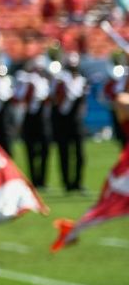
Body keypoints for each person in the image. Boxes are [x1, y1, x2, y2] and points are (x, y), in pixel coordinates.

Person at [52, 53, 88, 193]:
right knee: (64, 153)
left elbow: (82, 101)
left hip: (76, 122)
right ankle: (67, 183)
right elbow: (55, 98)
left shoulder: (81, 80)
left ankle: (78, 183)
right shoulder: (60, 80)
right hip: (62, 122)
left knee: (79, 154)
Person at [15, 58, 51, 189]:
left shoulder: (46, 81)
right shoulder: (25, 80)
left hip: (42, 120)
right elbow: (19, 97)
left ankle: (42, 180)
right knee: (30, 151)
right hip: (29, 120)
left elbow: (48, 97)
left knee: (44, 151)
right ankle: (33, 180)